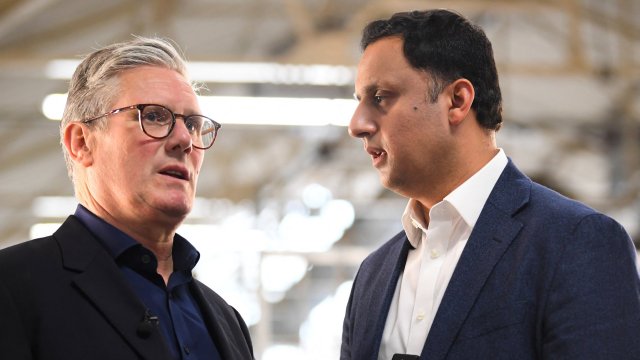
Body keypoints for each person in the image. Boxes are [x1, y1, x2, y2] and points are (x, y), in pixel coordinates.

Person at [341, 9, 640, 360]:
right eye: (359, 101)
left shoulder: (576, 243)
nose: (356, 124)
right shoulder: (372, 275)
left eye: (380, 97)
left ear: (457, 101)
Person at [0, 36, 254, 360]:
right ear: (81, 142)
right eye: (153, 116)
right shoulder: (13, 288)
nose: (183, 140)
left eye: (192, 124)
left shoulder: (227, 321)